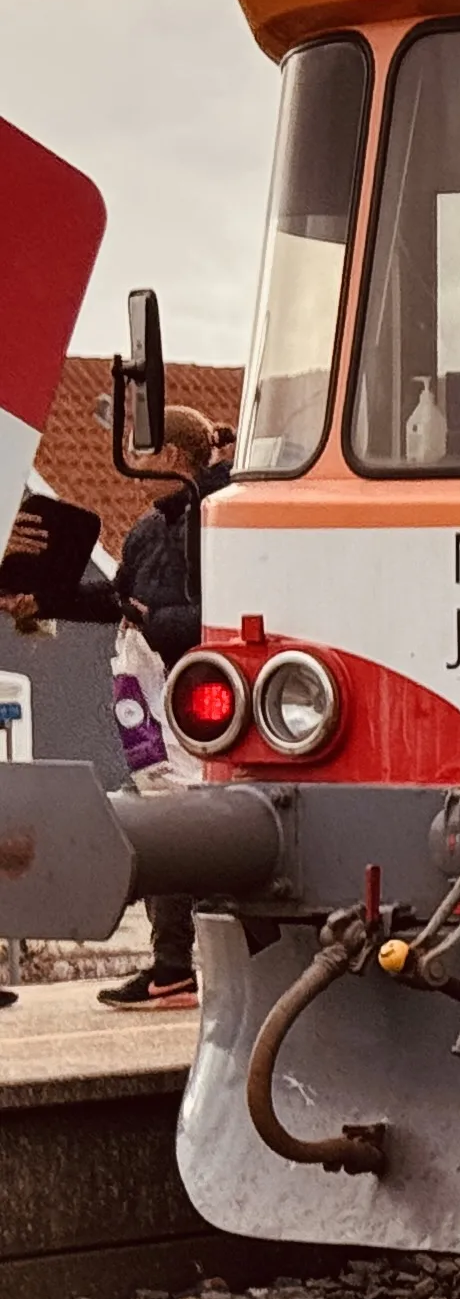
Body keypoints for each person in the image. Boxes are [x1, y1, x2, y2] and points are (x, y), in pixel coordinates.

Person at [98, 403, 228, 1012]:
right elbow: (117, 597)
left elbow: (229, 610)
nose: (131, 462)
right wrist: (42, 598)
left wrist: (159, 622)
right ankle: (171, 967)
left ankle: (246, 957)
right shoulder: (150, 528)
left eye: (141, 450)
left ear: (172, 457)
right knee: (163, 817)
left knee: (215, 830)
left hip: (213, 702)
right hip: (158, 699)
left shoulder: (224, 517)